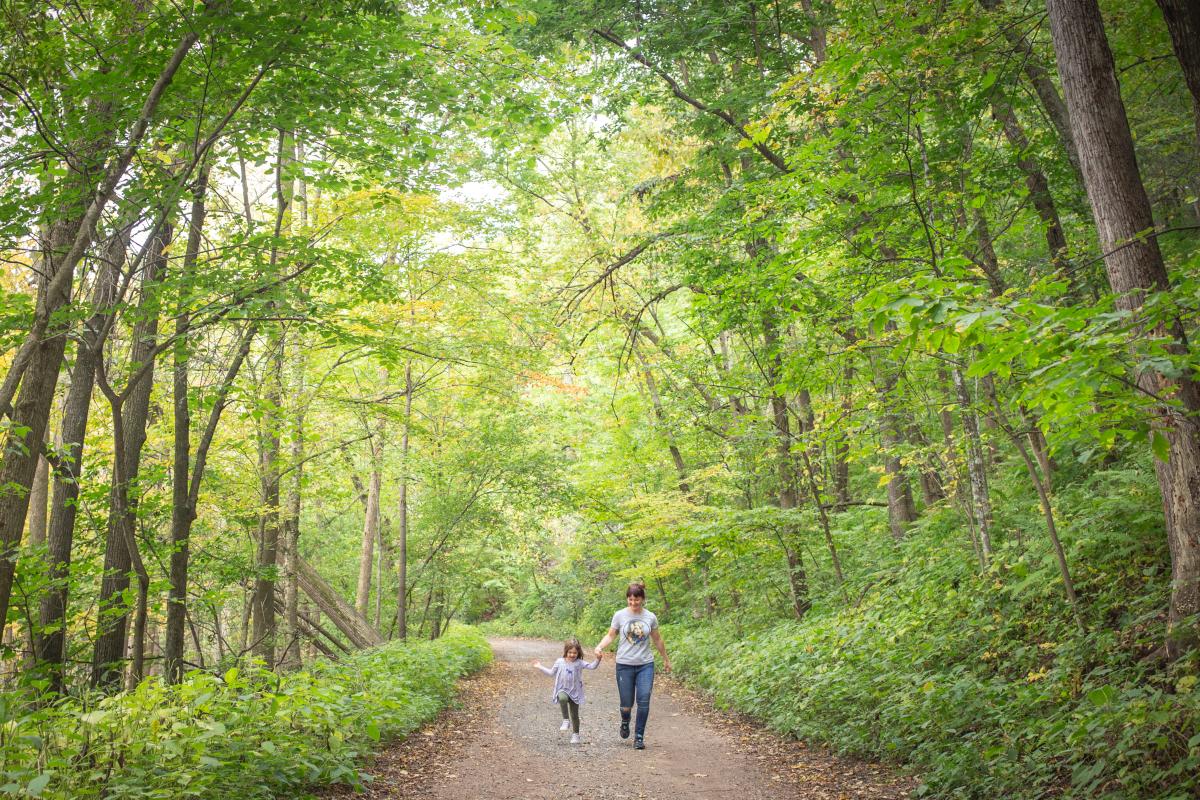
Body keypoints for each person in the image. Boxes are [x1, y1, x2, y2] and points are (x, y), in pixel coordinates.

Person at [593, 581, 671, 750]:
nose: (633, 603)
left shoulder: (650, 617)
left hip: (645, 665)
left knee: (644, 700)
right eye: (630, 600)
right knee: (626, 704)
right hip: (624, 665)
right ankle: (625, 720)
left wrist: (665, 659)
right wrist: (599, 646)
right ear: (627, 599)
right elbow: (611, 635)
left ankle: (639, 737)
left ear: (642, 599)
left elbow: (657, 639)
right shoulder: (620, 615)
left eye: (636, 600)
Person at [532, 638, 601, 744]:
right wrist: (540, 666)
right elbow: (551, 673)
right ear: (566, 652)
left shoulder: (579, 663)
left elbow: (592, 666)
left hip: (575, 692)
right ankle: (565, 720)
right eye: (570, 652)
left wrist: (598, 659)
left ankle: (576, 735)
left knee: (575, 714)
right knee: (562, 698)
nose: (572, 655)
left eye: (574, 653)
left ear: (578, 653)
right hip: (562, 689)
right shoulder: (559, 662)